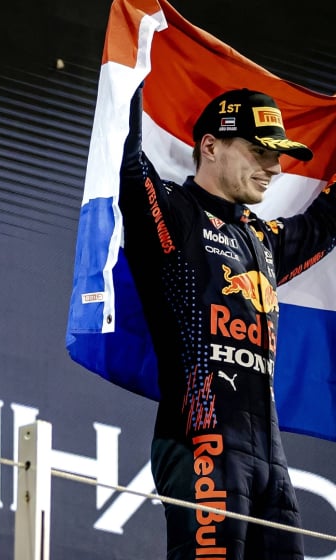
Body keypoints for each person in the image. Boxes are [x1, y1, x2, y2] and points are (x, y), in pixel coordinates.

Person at [119, 85, 336, 559]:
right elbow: (128, 157)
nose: (275, 169)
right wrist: (129, 68)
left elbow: (327, 220)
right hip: (200, 442)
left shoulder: (263, 242)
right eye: (260, 152)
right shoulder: (176, 215)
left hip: (270, 463)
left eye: (277, 156)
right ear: (210, 146)